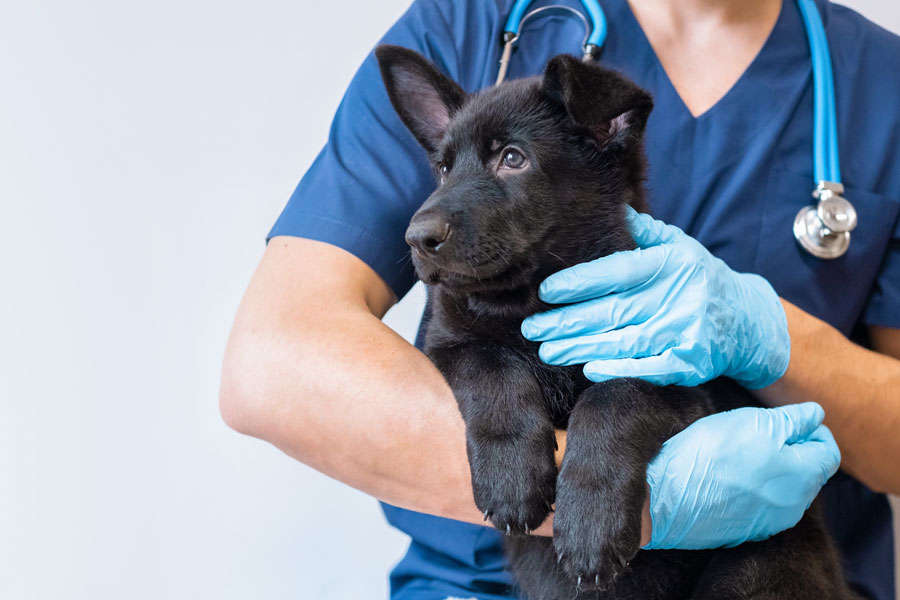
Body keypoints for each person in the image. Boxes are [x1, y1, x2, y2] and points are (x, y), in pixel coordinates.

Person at [219, 0, 900, 598]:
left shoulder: (879, 83)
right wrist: (628, 498)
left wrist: (771, 334)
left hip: (760, 572)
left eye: (508, 159)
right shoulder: (472, 22)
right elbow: (270, 364)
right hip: (482, 585)